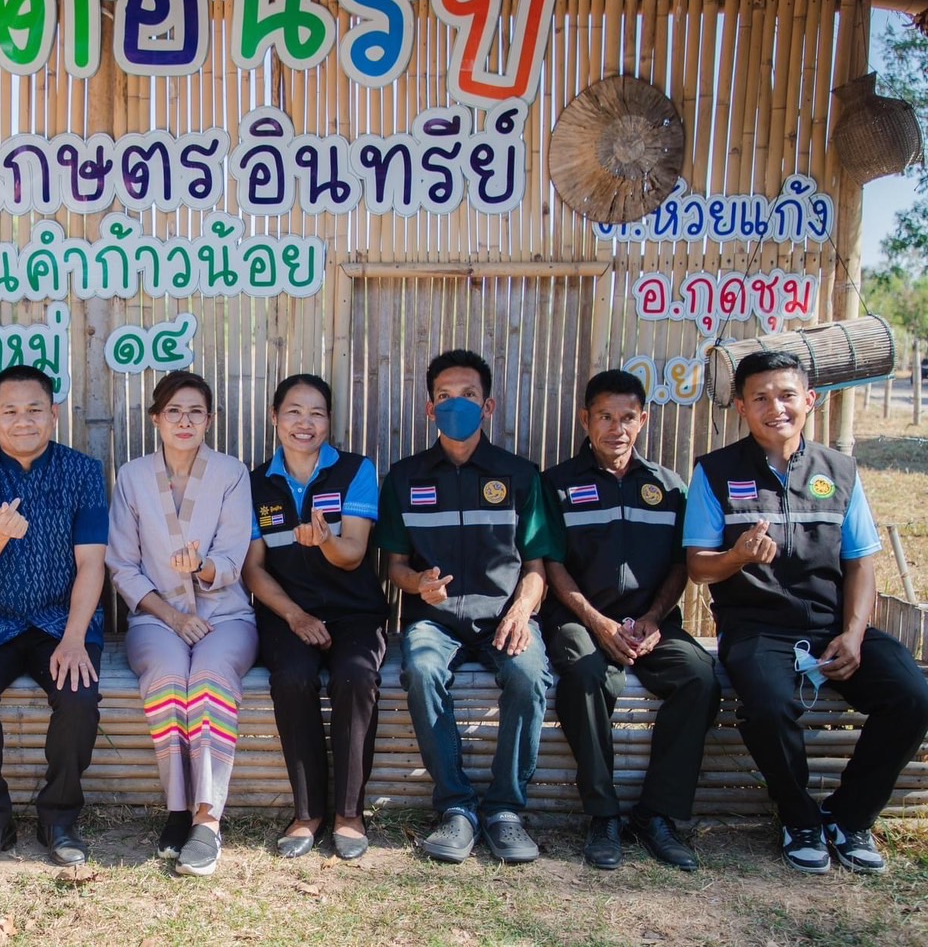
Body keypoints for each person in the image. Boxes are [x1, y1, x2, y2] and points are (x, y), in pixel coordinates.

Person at [685, 350, 928, 874]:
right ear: (742, 408)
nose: (776, 407)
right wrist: (737, 557)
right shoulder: (715, 471)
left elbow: (861, 563)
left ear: (810, 400)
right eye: (760, 398)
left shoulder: (840, 471)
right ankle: (799, 819)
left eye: (787, 395)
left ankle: (849, 817)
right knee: (768, 706)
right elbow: (698, 567)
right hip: (756, 630)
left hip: (833, 625)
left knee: (913, 695)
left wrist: (854, 634)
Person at [377, 349, 561, 864]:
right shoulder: (404, 478)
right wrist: (418, 584)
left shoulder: (520, 475)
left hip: (505, 616)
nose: (456, 404)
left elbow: (537, 566)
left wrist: (521, 612)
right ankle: (457, 807)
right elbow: (394, 566)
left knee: (529, 676)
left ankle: (505, 811)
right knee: (420, 670)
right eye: (444, 396)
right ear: (429, 408)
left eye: (468, 395)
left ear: (488, 406)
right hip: (434, 620)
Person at [542, 369, 720, 872]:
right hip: (580, 618)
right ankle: (603, 815)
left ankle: (657, 816)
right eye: (604, 416)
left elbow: (681, 563)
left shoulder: (668, 486)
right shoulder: (556, 484)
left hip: (651, 623)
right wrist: (598, 622)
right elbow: (552, 564)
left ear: (643, 420)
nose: (615, 428)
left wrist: (654, 617)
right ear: (586, 419)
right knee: (585, 673)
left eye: (626, 418)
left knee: (700, 678)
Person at [0, 365, 108, 868]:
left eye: (35, 409)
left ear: (53, 414)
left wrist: (75, 637)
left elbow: (92, 563)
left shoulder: (83, 472)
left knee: (79, 697)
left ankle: (58, 817)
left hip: (61, 620)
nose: (24, 421)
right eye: (11, 411)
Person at [106, 371, 256, 876]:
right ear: (156, 419)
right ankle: (177, 807)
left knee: (209, 678)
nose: (184, 421)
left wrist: (202, 568)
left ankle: (207, 820)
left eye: (195, 412)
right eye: (173, 411)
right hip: (156, 618)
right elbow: (122, 564)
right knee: (170, 676)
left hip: (225, 615)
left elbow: (233, 556)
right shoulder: (132, 477)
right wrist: (172, 615)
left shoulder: (231, 473)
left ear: (210, 419)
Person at [242, 374, 388, 862]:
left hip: (354, 612)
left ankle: (348, 813)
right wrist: (294, 615)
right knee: (292, 678)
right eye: (294, 412)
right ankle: (307, 813)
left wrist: (325, 540)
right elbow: (254, 570)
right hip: (287, 614)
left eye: (317, 413)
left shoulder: (355, 470)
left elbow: (353, 554)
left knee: (355, 676)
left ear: (329, 421)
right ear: (275, 417)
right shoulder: (255, 483)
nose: (305, 423)